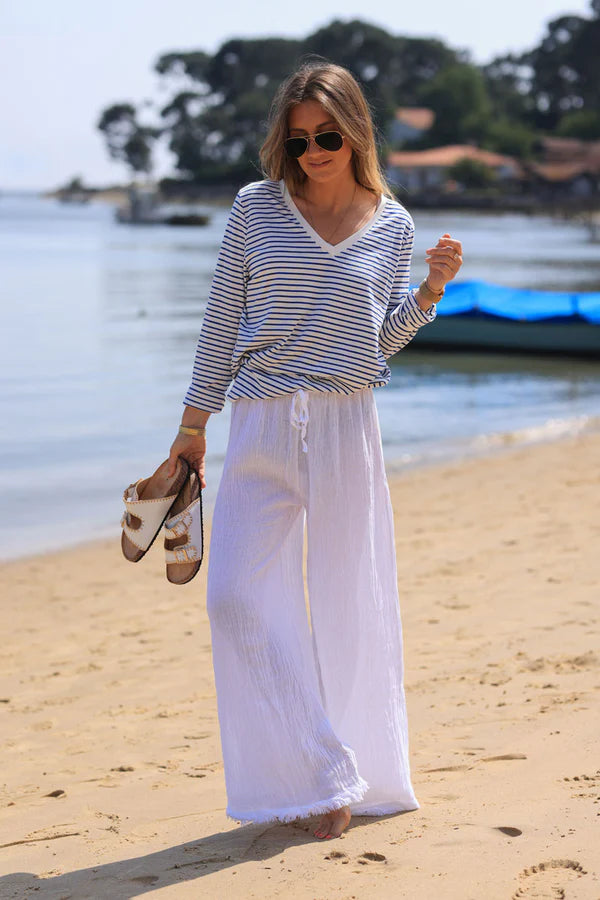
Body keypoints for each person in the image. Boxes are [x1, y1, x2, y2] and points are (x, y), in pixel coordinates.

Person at [166, 60, 462, 840]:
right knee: (233, 599)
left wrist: (428, 296)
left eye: (327, 136)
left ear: (355, 131)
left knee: (350, 607)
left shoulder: (391, 225)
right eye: (298, 140)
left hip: (347, 424)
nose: (312, 152)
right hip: (259, 423)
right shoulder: (255, 208)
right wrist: (192, 426)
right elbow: (219, 321)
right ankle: (323, 769)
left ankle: (361, 780)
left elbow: (375, 341)